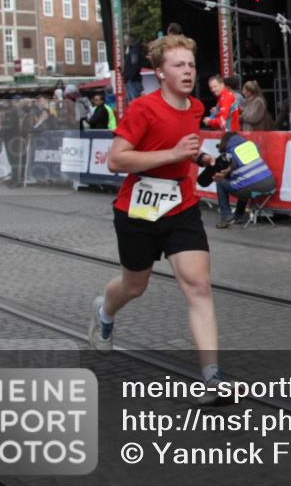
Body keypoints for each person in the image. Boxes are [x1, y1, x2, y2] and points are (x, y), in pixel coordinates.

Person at [91, 33, 224, 402]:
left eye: (191, 65)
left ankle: (211, 377)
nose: (187, 72)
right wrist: (173, 153)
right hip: (138, 210)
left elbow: (184, 149)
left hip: (181, 207)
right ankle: (104, 310)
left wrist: (202, 160)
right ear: (160, 73)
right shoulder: (142, 109)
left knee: (199, 286)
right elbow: (117, 160)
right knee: (134, 286)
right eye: (178, 65)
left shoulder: (196, 108)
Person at [212, 131, 276, 228]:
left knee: (221, 183)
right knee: (242, 182)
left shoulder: (230, 154)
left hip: (253, 186)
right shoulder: (251, 146)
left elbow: (228, 172)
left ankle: (226, 216)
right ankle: (239, 215)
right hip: (270, 183)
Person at [123, 34, 144, 102]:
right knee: (133, 101)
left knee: (134, 102)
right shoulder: (132, 50)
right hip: (132, 80)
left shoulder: (134, 51)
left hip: (132, 81)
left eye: (125, 40)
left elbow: (135, 66)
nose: (124, 42)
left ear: (129, 40)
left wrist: (128, 76)